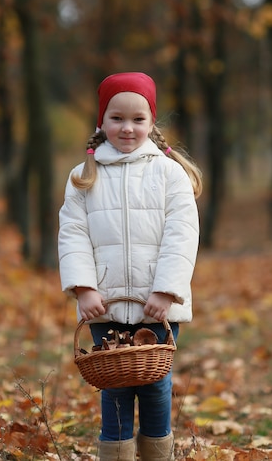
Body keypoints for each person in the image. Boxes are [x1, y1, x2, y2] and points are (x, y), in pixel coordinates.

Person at [58, 72, 202, 461]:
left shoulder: (169, 174)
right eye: (117, 118)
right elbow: (72, 234)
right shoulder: (83, 177)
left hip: (156, 305)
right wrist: (84, 288)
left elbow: (182, 236)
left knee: (155, 386)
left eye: (138, 119)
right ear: (101, 122)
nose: (127, 128)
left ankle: (158, 453)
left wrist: (166, 290)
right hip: (103, 305)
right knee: (115, 388)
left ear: (152, 123)